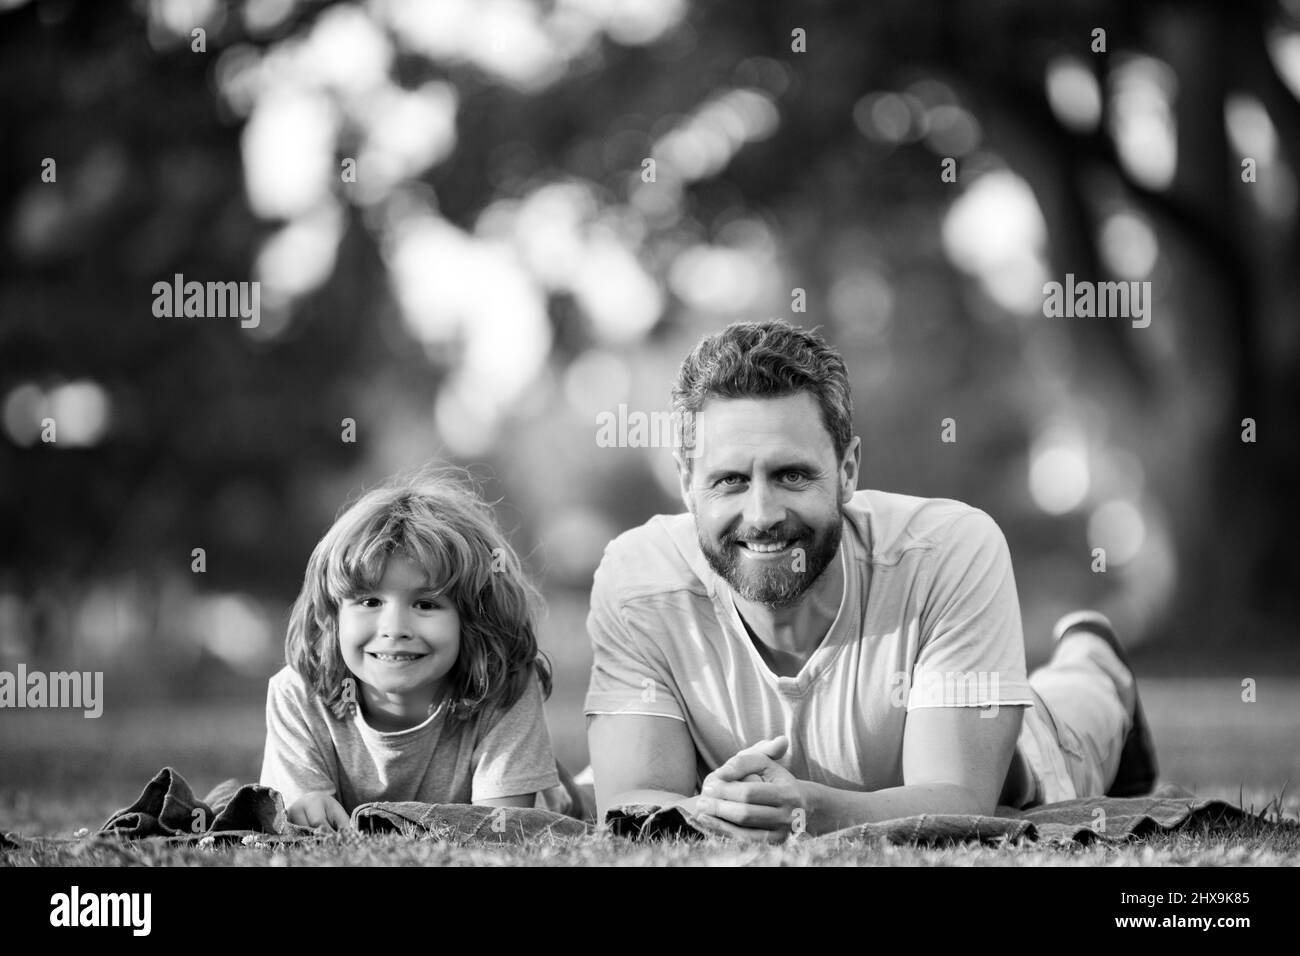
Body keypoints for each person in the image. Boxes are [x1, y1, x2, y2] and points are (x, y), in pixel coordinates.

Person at [585, 321, 1157, 842]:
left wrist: (808, 810)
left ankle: (1098, 663)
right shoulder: (639, 580)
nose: (761, 514)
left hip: (1030, 756)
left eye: (791, 475)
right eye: (730, 480)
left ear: (848, 471)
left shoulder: (948, 550)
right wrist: (724, 813)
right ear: (687, 484)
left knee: (1080, 708)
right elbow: (633, 803)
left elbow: (959, 800)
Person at [260, 472, 568, 830]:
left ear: (472, 619)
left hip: (561, 800)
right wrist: (306, 805)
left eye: (425, 604)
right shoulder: (297, 694)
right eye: (369, 601)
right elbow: (298, 828)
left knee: (584, 799)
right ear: (333, 614)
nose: (395, 629)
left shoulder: (502, 687)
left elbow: (500, 829)